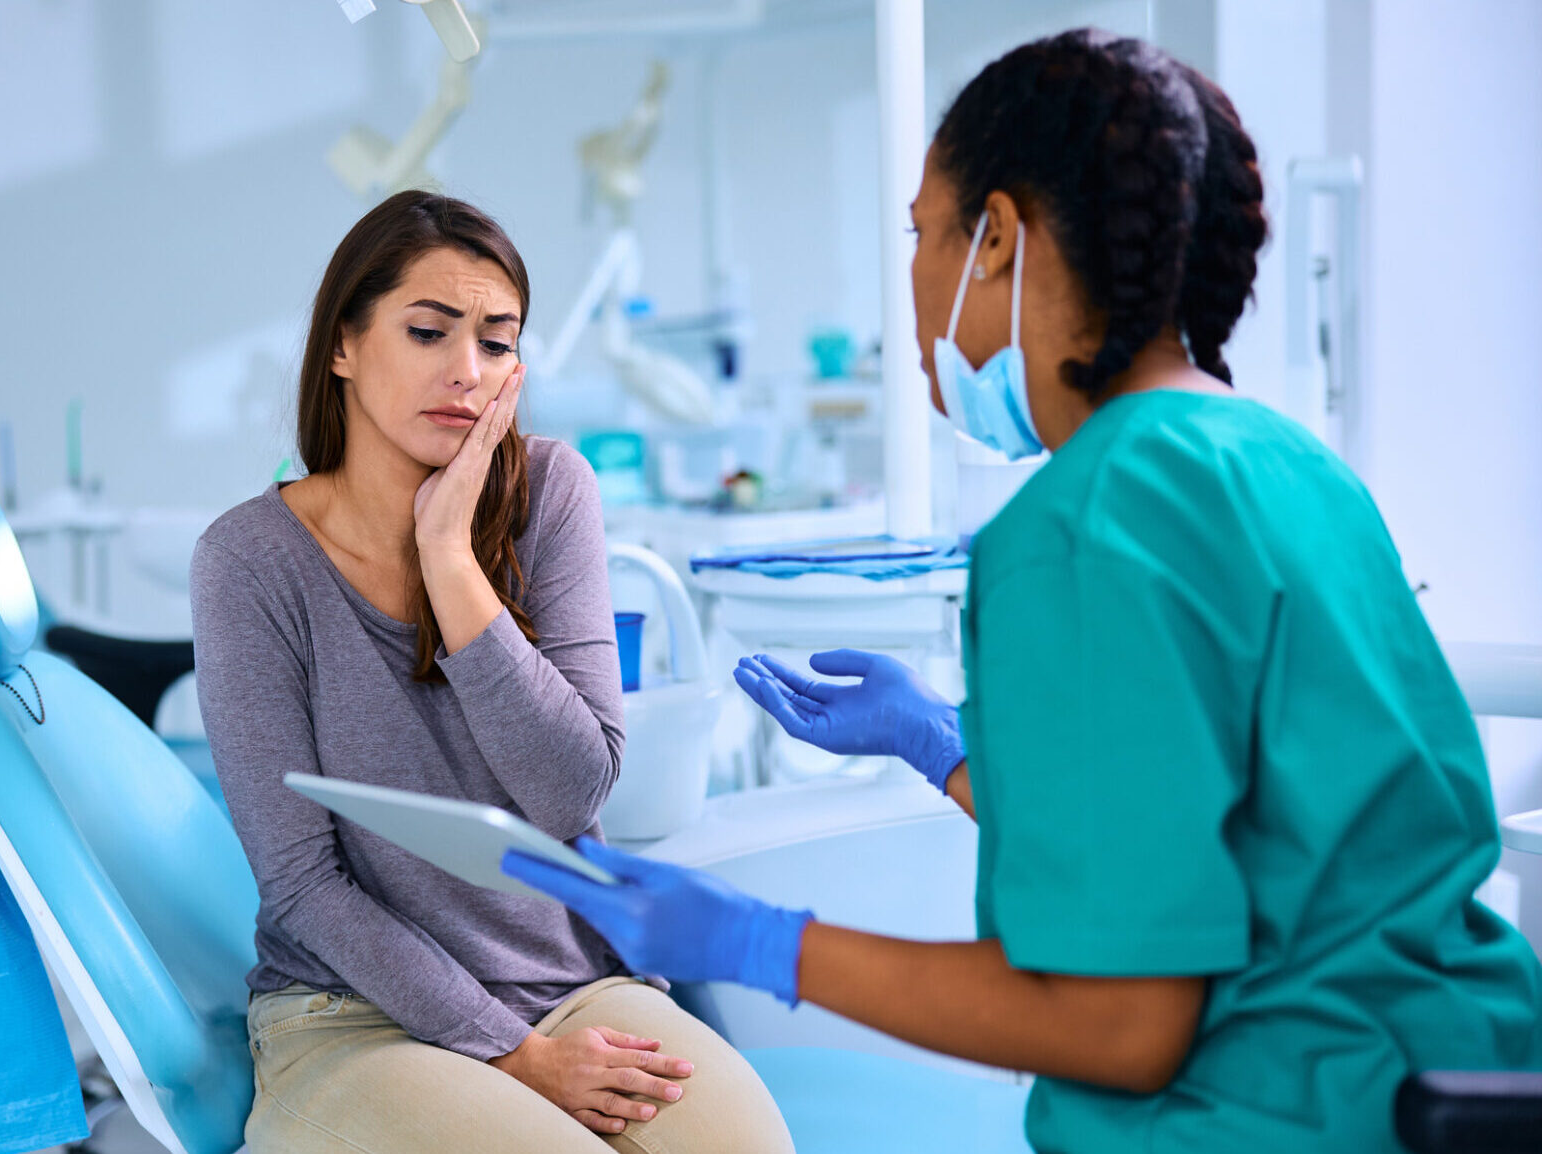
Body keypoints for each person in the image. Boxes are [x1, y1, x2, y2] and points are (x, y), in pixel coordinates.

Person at [506, 29, 1542, 1153]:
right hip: (1447, 1078)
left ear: (993, 237)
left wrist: (756, 941)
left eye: (918, 232)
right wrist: (940, 746)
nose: (908, 279)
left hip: (1268, 1114)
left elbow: (1120, 1021)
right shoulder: (1282, 463)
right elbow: (1223, 830)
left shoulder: (1085, 522)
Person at [191, 190, 791, 1154]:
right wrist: (509, 1054)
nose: (465, 372)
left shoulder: (552, 493)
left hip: (573, 987)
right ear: (342, 344)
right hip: (352, 1017)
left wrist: (451, 559)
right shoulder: (247, 562)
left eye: (497, 341)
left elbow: (571, 791)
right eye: (428, 332)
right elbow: (303, 885)